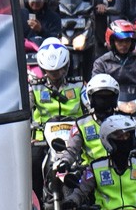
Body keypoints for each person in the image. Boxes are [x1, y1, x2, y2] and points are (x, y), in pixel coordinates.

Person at [61, 115, 136, 210]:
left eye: (127, 136)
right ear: (108, 140)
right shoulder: (95, 168)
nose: (124, 140)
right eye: (120, 137)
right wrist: (72, 201)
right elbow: (81, 191)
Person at [29, 39, 84, 205]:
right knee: (32, 164)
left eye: (59, 69)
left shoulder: (79, 85)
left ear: (66, 66)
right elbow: (24, 111)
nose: (55, 74)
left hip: (75, 137)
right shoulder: (34, 88)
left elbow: (91, 106)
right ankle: (37, 202)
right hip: (42, 140)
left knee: (91, 164)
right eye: (51, 71)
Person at [92, 20, 136, 132]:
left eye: (127, 41)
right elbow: (96, 86)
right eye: (120, 41)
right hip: (111, 108)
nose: (124, 44)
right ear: (112, 41)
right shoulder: (101, 63)